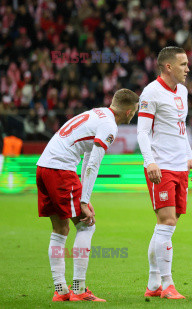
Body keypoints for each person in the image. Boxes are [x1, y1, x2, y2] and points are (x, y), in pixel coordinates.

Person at [36, 89, 139, 302]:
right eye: (135, 112)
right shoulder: (110, 126)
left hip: (43, 167)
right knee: (87, 224)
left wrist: (84, 195)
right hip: (60, 170)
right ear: (129, 111)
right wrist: (83, 201)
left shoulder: (98, 113)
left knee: (60, 229)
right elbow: (93, 163)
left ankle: (61, 291)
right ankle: (79, 289)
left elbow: (87, 154)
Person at [137, 46, 192, 300]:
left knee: (166, 227)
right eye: (183, 64)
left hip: (179, 167)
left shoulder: (182, 91)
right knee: (167, 222)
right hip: (160, 167)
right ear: (168, 67)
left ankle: (153, 284)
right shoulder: (151, 92)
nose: (188, 68)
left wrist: (190, 157)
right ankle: (167, 284)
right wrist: (149, 161)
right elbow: (142, 131)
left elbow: (180, 128)